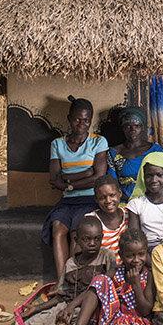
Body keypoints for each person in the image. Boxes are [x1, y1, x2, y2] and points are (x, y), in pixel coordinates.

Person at [56, 229, 155, 325]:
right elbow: (93, 288)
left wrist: (136, 285)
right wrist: (72, 305)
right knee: (100, 279)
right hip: (114, 321)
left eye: (141, 254)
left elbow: (146, 311)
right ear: (121, 255)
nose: (136, 260)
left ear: (146, 253)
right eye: (130, 255)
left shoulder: (149, 276)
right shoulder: (116, 272)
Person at [42, 96, 109, 284]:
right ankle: (61, 280)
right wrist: (85, 173)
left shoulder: (98, 142)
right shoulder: (58, 144)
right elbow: (54, 179)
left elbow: (98, 178)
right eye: (77, 119)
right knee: (57, 228)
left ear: (91, 121)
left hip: (89, 199)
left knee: (76, 233)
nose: (82, 124)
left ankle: (74, 279)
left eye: (86, 120)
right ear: (69, 118)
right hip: (67, 201)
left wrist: (68, 182)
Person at [106, 107, 163, 203]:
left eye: (137, 126)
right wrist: (129, 199)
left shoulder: (155, 150)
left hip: (151, 199)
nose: (133, 130)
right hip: (123, 200)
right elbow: (112, 182)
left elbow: (162, 177)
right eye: (128, 126)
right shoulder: (113, 152)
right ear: (123, 128)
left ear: (142, 128)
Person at [85, 175, 132, 264]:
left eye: (112, 195)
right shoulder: (91, 220)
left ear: (120, 193)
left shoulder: (129, 215)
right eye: (102, 198)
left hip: (126, 271)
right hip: (101, 272)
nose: (108, 201)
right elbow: (81, 253)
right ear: (96, 199)